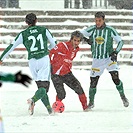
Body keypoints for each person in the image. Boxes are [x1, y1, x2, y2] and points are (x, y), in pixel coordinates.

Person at [0, 13, 57, 115]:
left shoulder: (23, 34)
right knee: (44, 88)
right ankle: (33, 100)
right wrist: (46, 49)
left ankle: (49, 110)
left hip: (32, 62)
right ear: (36, 20)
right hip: (43, 59)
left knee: (41, 88)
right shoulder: (44, 30)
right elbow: (54, 43)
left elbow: (11, 46)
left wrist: (1, 58)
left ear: (26, 22)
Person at [80, 11, 129, 109]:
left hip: (109, 58)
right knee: (93, 82)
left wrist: (116, 52)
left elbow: (120, 41)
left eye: (99, 20)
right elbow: (78, 34)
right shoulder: (92, 29)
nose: (97, 22)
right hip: (97, 60)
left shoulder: (110, 30)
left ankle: (123, 97)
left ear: (103, 20)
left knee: (115, 78)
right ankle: (91, 102)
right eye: (96, 20)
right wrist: (86, 39)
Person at [50, 30, 88, 111]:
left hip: (67, 73)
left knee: (79, 89)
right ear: (71, 39)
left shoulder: (76, 49)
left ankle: (86, 108)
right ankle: (56, 109)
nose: (76, 43)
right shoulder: (62, 45)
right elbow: (50, 52)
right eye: (74, 40)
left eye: (78, 41)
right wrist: (50, 64)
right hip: (56, 73)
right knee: (62, 94)